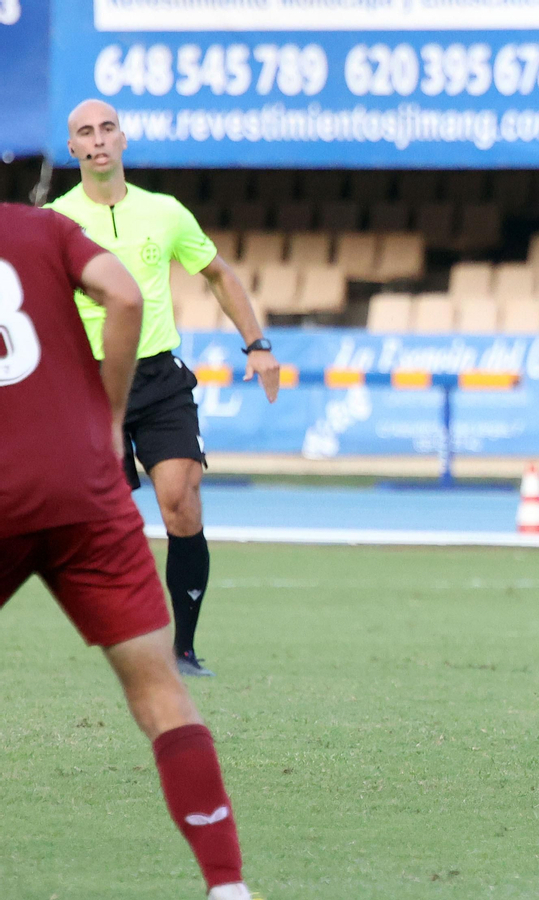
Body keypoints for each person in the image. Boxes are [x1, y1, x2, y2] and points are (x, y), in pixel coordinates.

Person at [0, 203, 252, 899]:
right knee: (158, 691)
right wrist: (106, 417)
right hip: (81, 483)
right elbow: (122, 291)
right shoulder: (42, 227)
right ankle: (226, 887)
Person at [47, 99, 281, 678]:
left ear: (124, 139)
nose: (98, 140)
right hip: (88, 383)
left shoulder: (165, 212)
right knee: (98, 522)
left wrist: (257, 344)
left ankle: (183, 649)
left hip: (157, 376)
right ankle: (121, 637)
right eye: (85, 133)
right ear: (72, 149)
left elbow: (219, 275)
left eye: (107, 129)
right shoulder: (56, 221)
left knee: (181, 502)